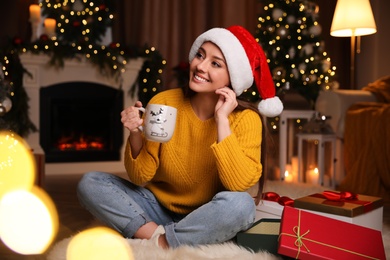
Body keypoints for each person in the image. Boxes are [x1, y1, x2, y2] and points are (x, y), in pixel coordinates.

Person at [77, 25, 283, 249]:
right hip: (156, 208)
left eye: (215, 64)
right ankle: (159, 237)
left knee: (241, 205)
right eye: (200, 55)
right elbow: (139, 176)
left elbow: (238, 183)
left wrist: (222, 119)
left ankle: (163, 242)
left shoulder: (246, 119)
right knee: (91, 182)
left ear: (232, 77)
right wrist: (135, 133)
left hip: (207, 215)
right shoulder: (164, 103)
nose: (200, 66)